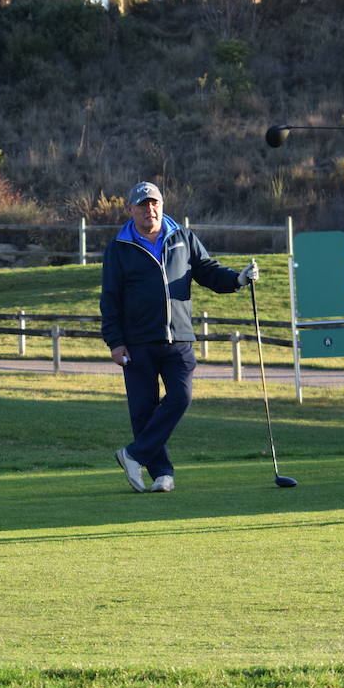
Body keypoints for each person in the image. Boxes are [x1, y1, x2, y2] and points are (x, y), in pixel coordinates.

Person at [100, 181, 258, 492]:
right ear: (130, 210)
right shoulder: (118, 248)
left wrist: (238, 279)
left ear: (162, 204)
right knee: (143, 410)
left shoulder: (182, 237)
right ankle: (162, 474)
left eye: (154, 203)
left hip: (179, 339)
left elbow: (208, 271)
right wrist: (115, 342)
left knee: (181, 397)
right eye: (143, 205)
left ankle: (133, 455)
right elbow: (110, 299)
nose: (150, 209)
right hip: (137, 341)